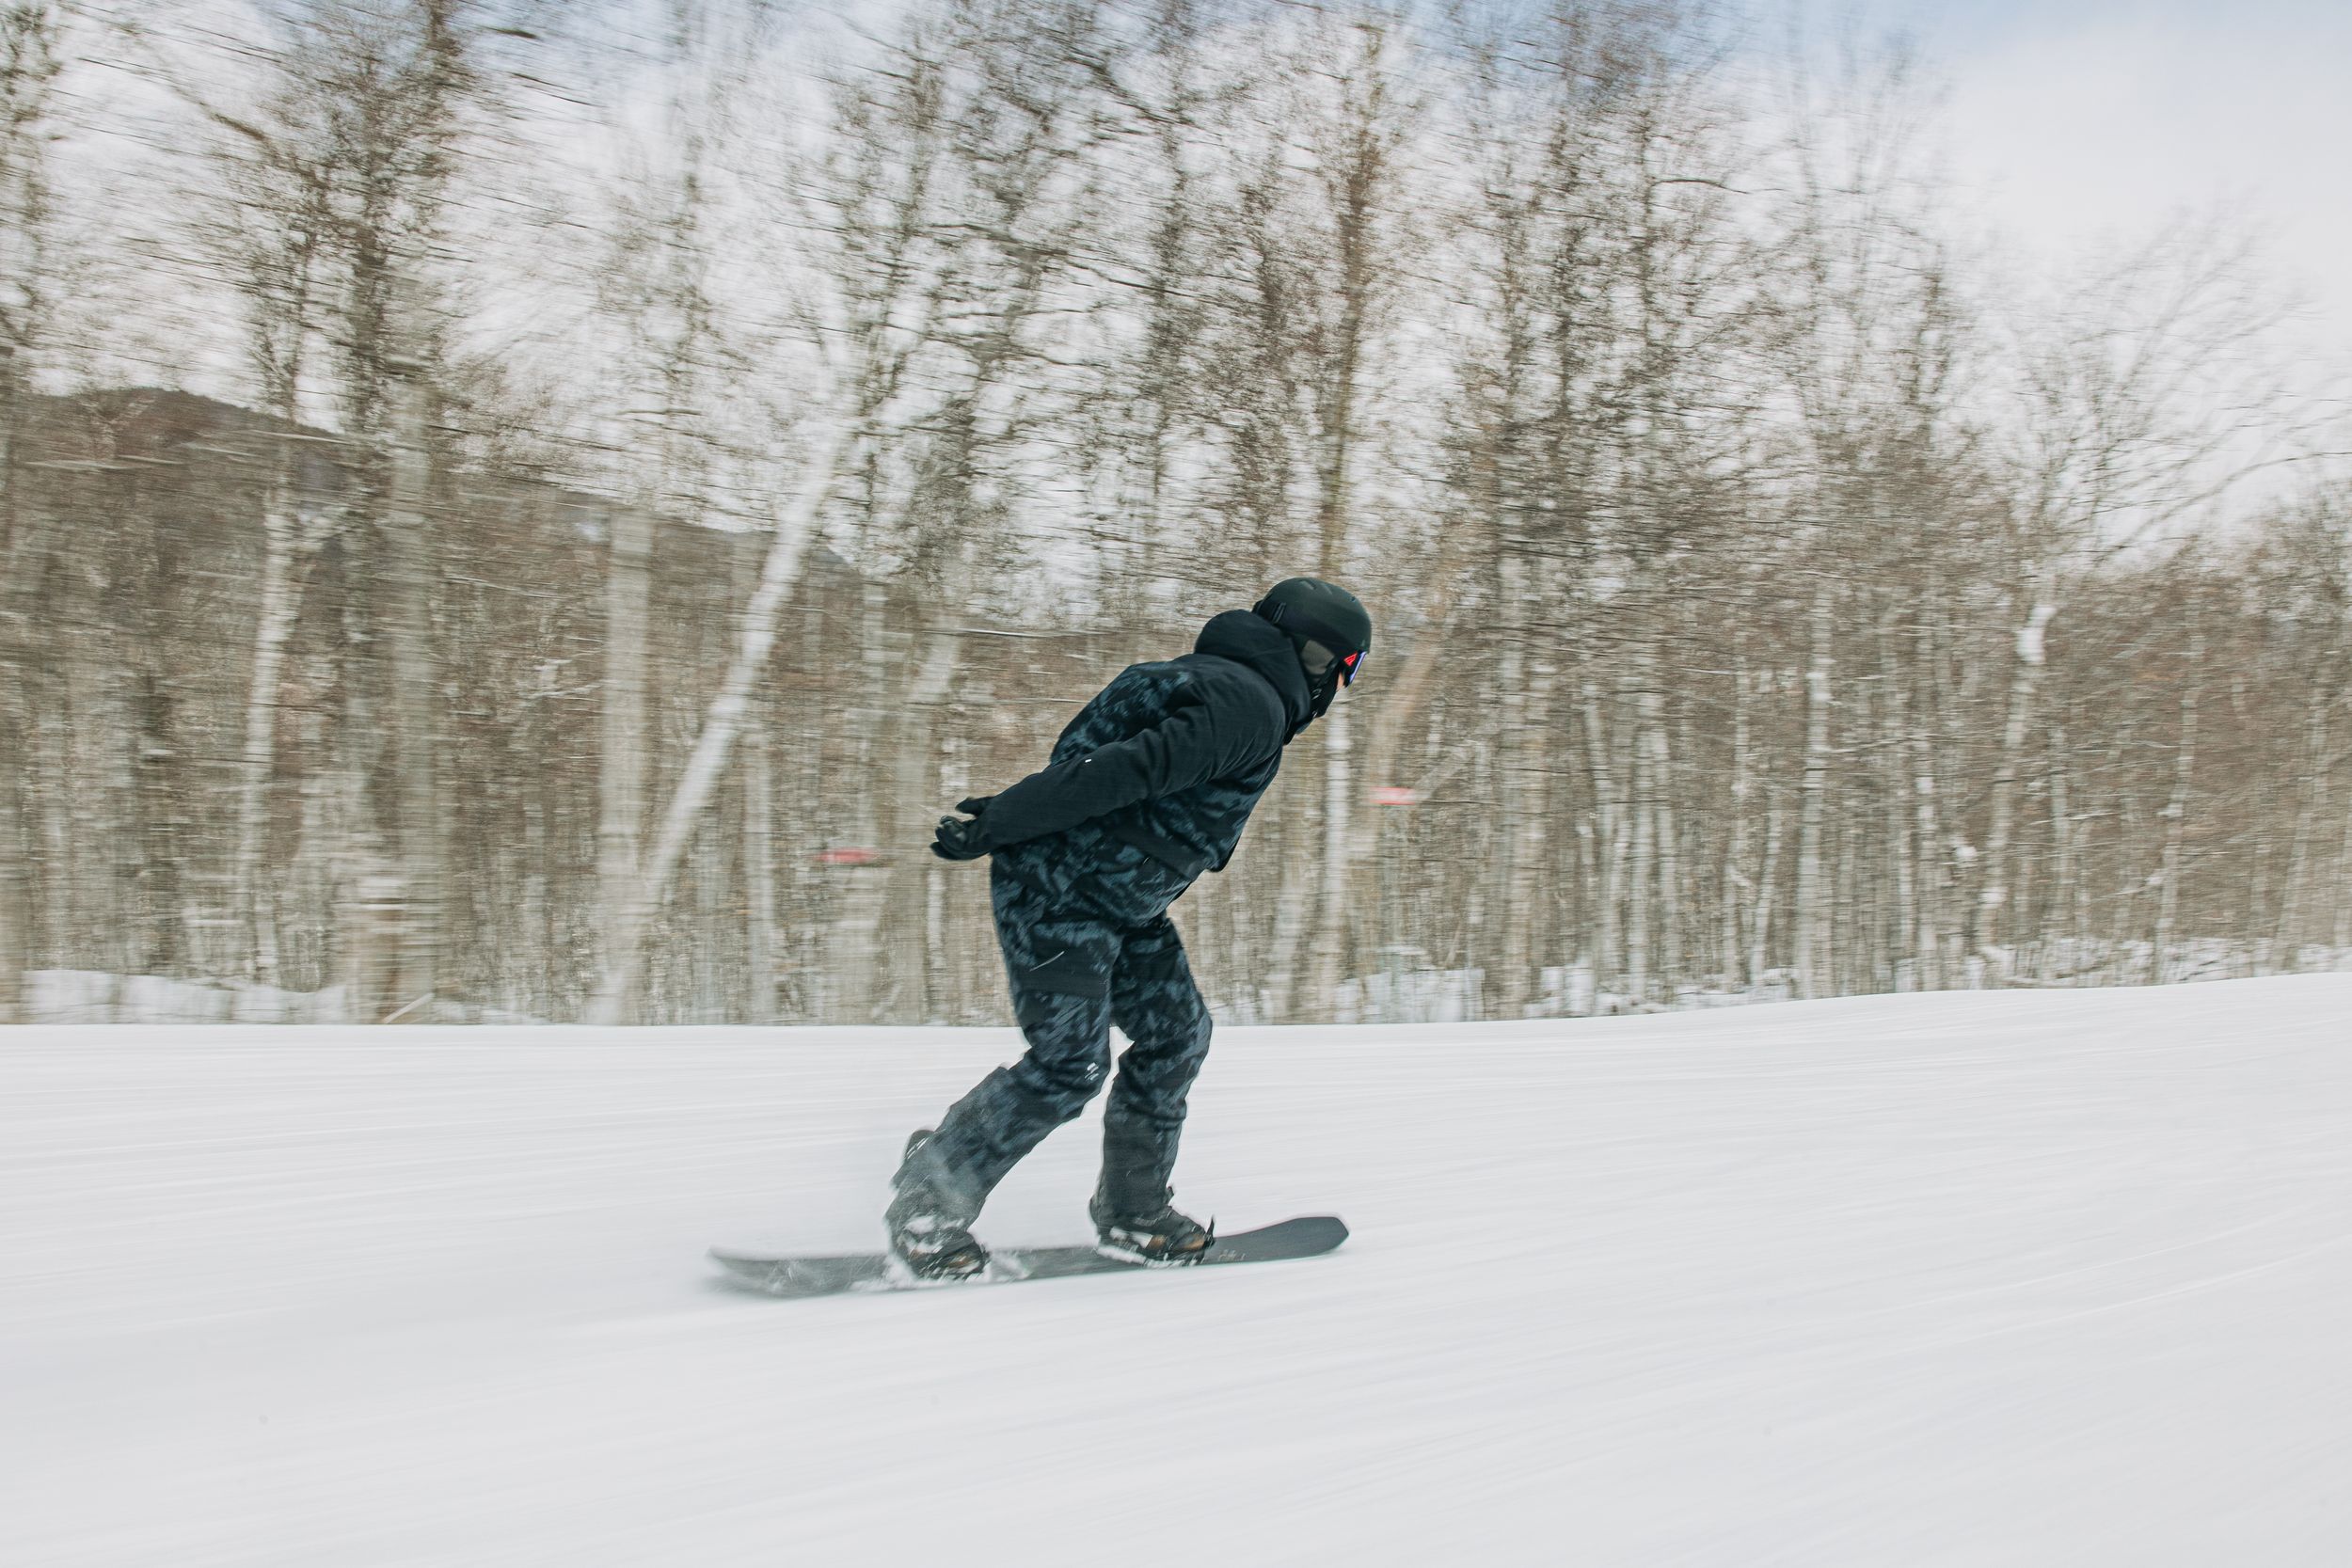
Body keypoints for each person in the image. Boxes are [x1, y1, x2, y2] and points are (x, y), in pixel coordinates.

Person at [888, 577, 1373, 1278]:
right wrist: (1001, 823)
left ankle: (1134, 1210)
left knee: (1177, 1034)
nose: (1336, 688)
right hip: (1060, 893)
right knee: (1069, 1064)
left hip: (1116, 901)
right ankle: (929, 1203)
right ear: (1318, 656)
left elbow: (1105, 764)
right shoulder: (1249, 705)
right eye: (1344, 669)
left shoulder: (1219, 684)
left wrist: (1014, 813)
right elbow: (1119, 772)